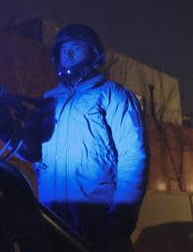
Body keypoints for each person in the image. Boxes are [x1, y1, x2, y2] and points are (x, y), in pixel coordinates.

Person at [12, 24, 148, 250]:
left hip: (99, 221)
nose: (69, 54)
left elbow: (133, 155)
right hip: (53, 219)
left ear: (94, 53)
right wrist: (1, 124)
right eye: (63, 49)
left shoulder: (112, 94)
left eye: (76, 47)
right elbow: (31, 152)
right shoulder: (48, 100)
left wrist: (122, 216)